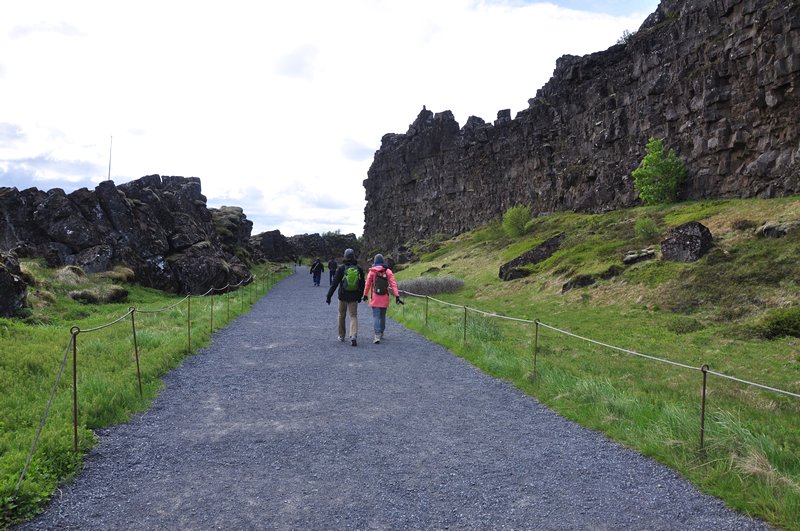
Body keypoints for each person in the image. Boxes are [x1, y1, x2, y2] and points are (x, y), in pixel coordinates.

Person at [326, 248, 365, 346]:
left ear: (345, 256)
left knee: (341, 315)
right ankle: (353, 336)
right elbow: (362, 284)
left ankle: (341, 335)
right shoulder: (359, 268)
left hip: (342, 295)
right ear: (353, 256)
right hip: (354, 296)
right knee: (353, 315)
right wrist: (360, 296)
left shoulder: (342, 268)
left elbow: (334, 283)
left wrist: (329, 296)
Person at [363, 253, 402, 344]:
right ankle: (381, 332)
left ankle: (377, 336)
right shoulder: (388, 271)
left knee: (376, 316)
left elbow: (367, 284)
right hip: (385, 297)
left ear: (375, 261)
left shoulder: (372, 271)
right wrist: (397, 296)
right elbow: (393, 284)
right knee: (382, 316)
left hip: (375, 298)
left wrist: (365, 295)